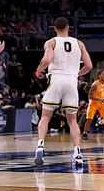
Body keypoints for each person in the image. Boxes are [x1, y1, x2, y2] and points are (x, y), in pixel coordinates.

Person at [34, 17, 92, 167]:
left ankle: (40, 146)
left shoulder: (51, 42)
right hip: (71, 81)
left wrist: (39, 70)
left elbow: (46, 60)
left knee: (45, 116)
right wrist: (76, 74)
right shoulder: (79, 43)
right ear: (68, 28)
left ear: (54, 28)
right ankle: (77, 153)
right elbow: (89, 66)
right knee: (72, 120)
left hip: (56, 79)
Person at [82, 70, 104, 140]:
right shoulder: (95, 84)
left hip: (102, 103)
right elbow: (89, 96)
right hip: (93, 103)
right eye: (103, 74)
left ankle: (99, 121)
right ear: (99, 76)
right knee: (89, 119)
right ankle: (85, 132)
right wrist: (99, 99)